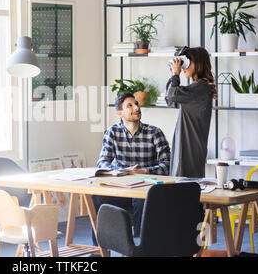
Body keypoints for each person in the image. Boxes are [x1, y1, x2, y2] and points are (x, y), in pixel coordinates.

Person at [93, 92, 170, 242]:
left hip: (147, 189)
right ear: (120, 113)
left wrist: (145, 171)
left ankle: (140, 247)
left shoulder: (154, 133)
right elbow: (102, 161)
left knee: (140, 200)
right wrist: (117, 171)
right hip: (122, 188)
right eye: (130, 105)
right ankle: (99, 249)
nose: (136, 107)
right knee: (97, 196)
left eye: (136, 104)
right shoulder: (112, 132)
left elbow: (167, 165)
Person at [165, 46, 217, 178]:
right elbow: (170, 100)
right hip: (186, 147)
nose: (183, 67)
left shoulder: (201, 87)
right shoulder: (195, 88)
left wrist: (176, 75)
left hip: (189, 149)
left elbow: (171, 96)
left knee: (184, 190)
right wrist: (173, 74)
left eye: (187, 62)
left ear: (197, 64)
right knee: (182, 189)